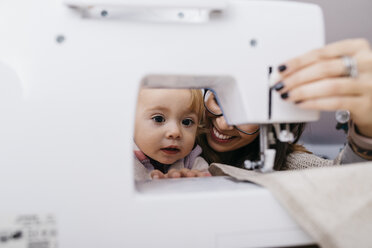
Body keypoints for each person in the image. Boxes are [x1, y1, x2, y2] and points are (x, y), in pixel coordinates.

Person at [198, 39, 372, 170]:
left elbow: (344, 180)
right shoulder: (176, 142)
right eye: (218, 101)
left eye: (247, 112)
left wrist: (367, 132)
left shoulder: (290, 165)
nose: (223, 124)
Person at [133, 88, 210, 181]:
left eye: (187, 122)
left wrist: (198, 183)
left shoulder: (192, 162)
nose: (175, 132)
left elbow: (212, 187)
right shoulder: (121, 160)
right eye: (158, 119)